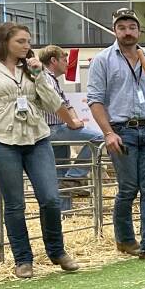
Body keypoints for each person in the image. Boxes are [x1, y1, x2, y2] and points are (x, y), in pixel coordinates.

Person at [0, 23, 79, 279]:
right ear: (5, 41)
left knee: (50, 198)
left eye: (28, 41)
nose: (27, 45)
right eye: (21, 41)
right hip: (1, 140)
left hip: (37, 137)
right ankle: (23, 259)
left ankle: (57, 251)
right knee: (15, 204)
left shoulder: (32, 69)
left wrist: (39, 75)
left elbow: (53, 104)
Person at [86, 7, 145, 261]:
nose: (128, 32)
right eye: (122, 27)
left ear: (138, 30)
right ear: (115, 30)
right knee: (128, 188)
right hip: (122, 132)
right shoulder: (102, 60)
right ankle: (125, 239)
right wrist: (108, 133)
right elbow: (95, 100)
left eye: (132, 27)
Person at [39, 45, 103, 192]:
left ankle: (64, 212)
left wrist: (74, 121)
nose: (67, 63)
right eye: (64, 59)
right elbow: (58, 106)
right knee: (99, 137)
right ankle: (75, 176)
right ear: (53, 60)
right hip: (52, 128)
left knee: (60, 173)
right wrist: (71, 122)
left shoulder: (52, 79)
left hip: (56, 129)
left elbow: (67, 105)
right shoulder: (45, 79)